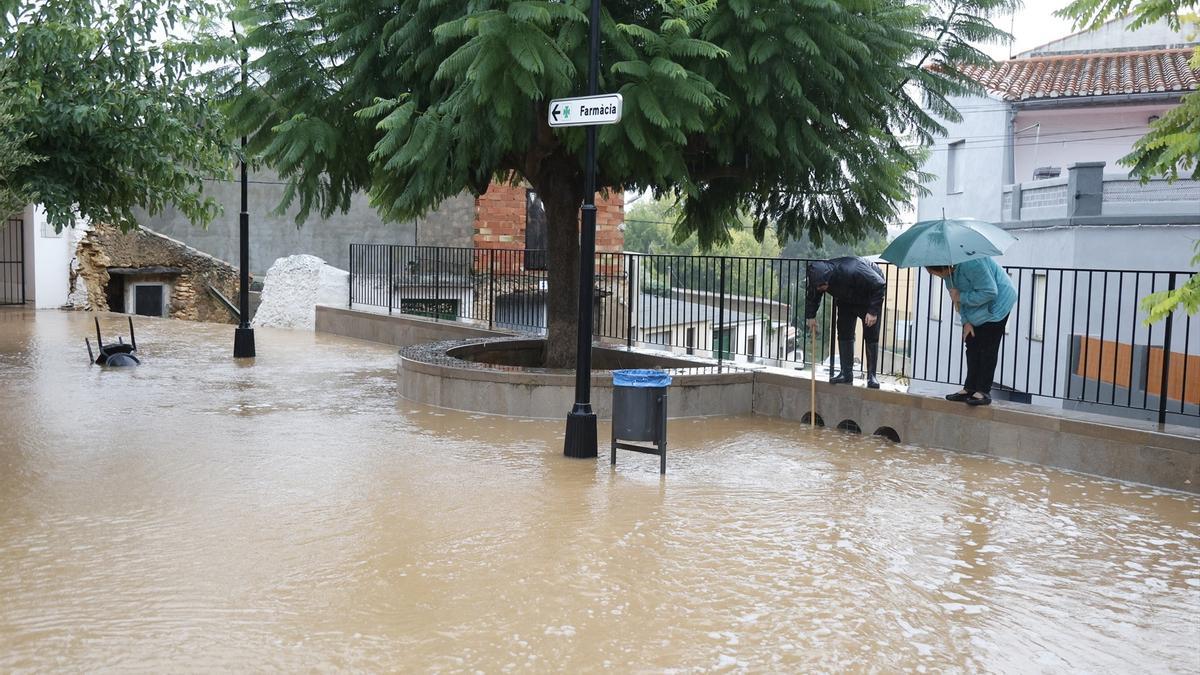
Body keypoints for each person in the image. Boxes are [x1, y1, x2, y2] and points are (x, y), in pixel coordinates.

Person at [926, 257, 1017, 406]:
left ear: (940, 266)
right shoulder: (948, 274)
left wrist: (961, 296)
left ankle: (983, 391)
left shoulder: (973, 263)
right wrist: (966, 322)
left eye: (933, 272)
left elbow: (990, 292)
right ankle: (970, 388)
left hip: (999, 302)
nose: (932, 274)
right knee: (971, 343)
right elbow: (958, 302)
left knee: (987, 347)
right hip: (978, 306)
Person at [805, 257, 887, 388]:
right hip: (846, 297)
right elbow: (813, 294)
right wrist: (811, 316)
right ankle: (846, 373)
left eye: (822, 286)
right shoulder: (818, 278)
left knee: (871, 334)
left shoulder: (853, 269)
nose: (820, 289)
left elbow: (879, 284)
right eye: (817, 286)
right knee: (844, 330)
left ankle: (872, 376)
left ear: (828, 279)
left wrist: (873, 311)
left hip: (868, 294)